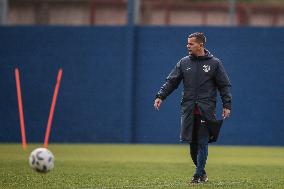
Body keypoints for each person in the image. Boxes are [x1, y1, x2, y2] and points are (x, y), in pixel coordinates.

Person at [153, 32, 232, 184]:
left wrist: (227, 105)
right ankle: (202, 173)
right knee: (192, 146)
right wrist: (160, 96)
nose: (187, 46)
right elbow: (171, 82)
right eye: (187, 43)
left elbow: (224, 86)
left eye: (191, 44)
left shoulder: (215, 63)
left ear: (200, 45)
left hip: (206, 110)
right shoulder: (183, 63)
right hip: (188, 110)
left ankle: (197, 176)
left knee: (202, 142)